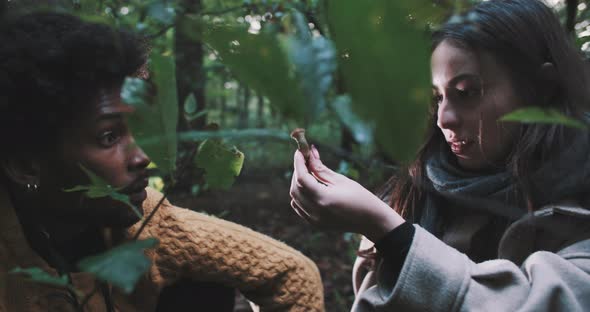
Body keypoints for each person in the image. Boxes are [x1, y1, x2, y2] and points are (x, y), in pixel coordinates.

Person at [0, 11, 324, 312]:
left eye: (136, 128)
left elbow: (293, 275)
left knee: (204, 284)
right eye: (108, 137)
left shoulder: (149, 222)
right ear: (26, 165)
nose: (141, 157)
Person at [289, 0, 590, 311]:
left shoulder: (579, 203)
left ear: (542, 90)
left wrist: (391, 234)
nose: (443, 119)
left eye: (467, 92)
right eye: (438, 97)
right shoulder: (416, 189)